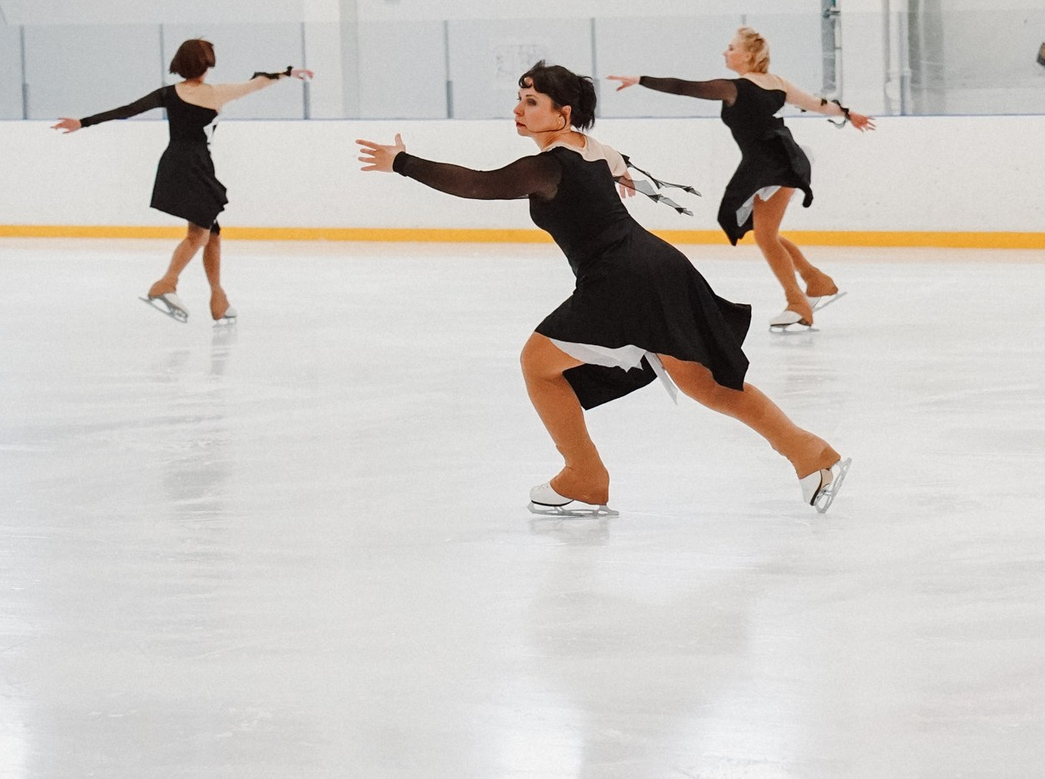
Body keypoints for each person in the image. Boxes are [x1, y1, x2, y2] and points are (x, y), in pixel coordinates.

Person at [356, 61, 847, 520]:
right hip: (658, 266)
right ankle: (810, 453)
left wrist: (403, 162)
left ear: (562, 113)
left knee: (538, 363)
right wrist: (625, 172)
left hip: (622, 277)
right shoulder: (589, 150)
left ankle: (585, 476)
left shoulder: (550, 165)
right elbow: (613, 162)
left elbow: (479, 185)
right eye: (520, 100)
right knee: (707, 385)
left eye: (531, 102)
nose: (518, 110)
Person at [608, 28, 874, 331]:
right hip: (776, 159)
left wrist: (641, 80)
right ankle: (816, 280)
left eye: (731, 47)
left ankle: (798, 302)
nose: (725, 52)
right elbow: (817, 104)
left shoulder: (734, 88)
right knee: (765, 231)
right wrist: (849, 114)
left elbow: (684, 87)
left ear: (748, 55)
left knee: (764, 235)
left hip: (772, 163)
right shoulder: (777, 83)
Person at [52, 37, 309, 325]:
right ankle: (166, 283)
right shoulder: (216, 94)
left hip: (174, 163)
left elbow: (127, 110)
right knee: (198, 233)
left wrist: (84, 122)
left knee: (212, 230)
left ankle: (218, 299)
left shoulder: (168, 93)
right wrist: (288, 73)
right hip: (195, 165)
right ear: (206, 65)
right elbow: (257, 82)